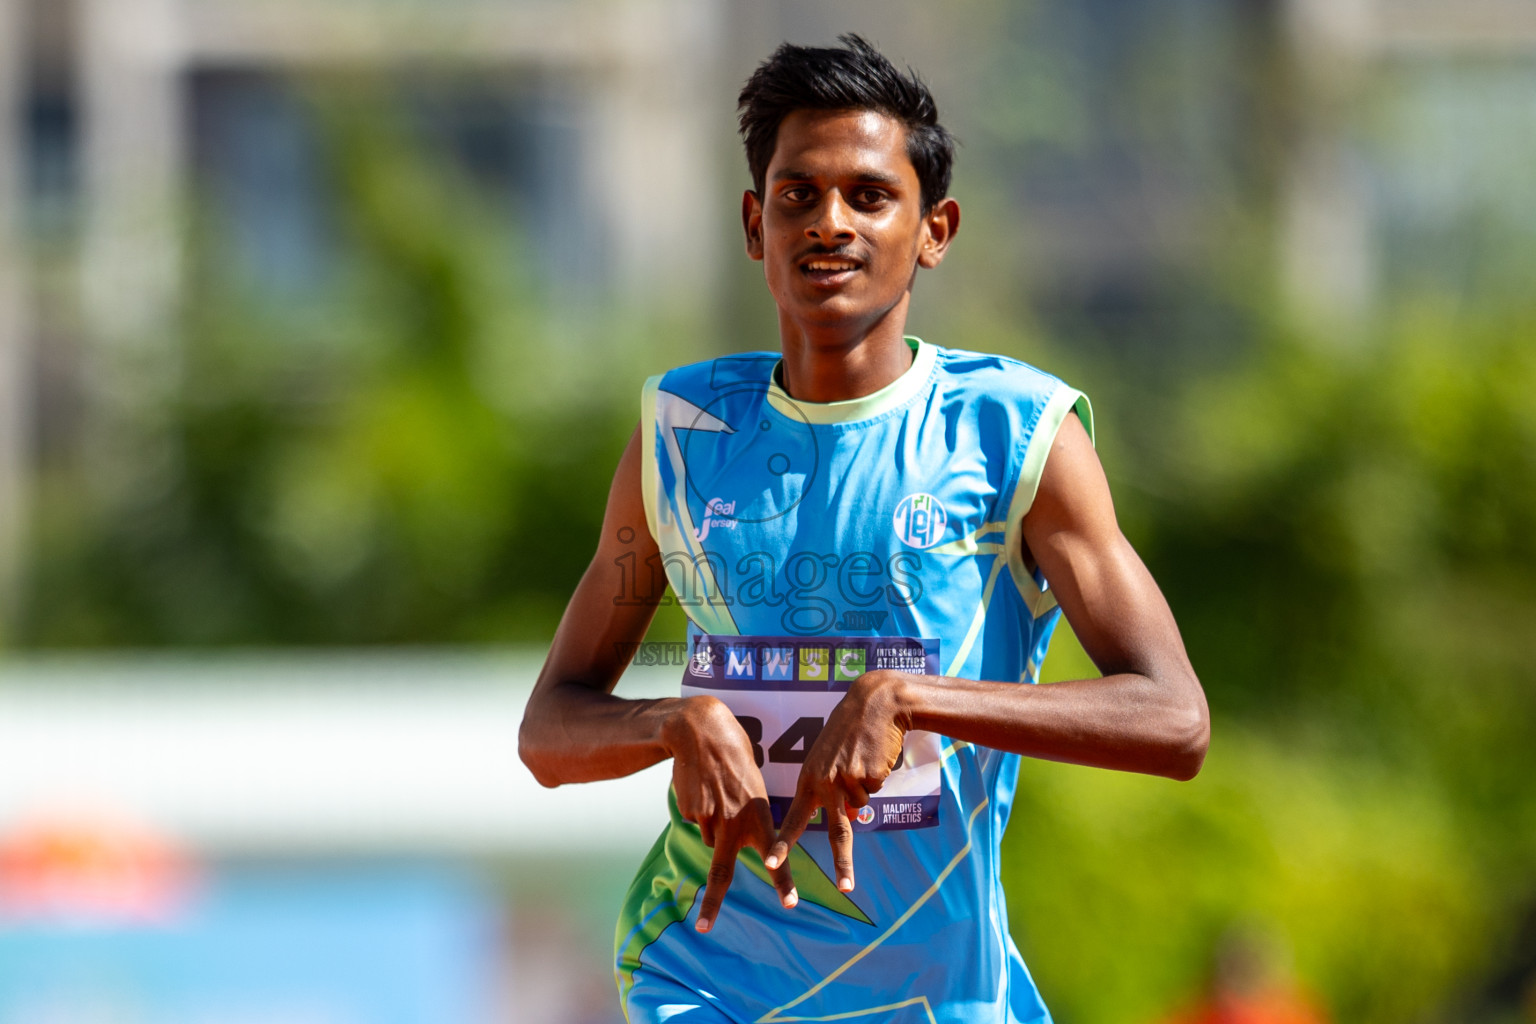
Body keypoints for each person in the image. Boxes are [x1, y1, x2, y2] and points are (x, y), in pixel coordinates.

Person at [519, 34, 1209, 1024]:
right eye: (797, 195)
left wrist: (909, 700)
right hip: (707, 978)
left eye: (868, 196)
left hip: (936, 991)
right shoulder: (681, 435)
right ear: (756, 225)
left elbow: (1175, 719)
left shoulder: (1014, 434)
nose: (829, 222)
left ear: (935, 229)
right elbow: (549, 731)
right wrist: (674, 720)